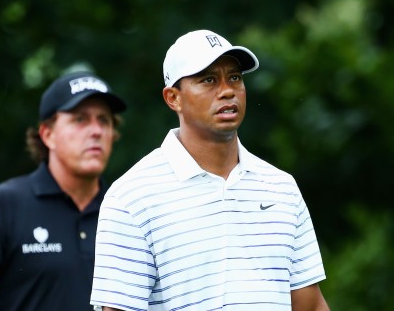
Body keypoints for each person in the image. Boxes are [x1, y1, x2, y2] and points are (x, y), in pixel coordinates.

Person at [90, 30, 329, 310]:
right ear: (173, 98)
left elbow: (310, 305)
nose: (227, 90)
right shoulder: (131, 197)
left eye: (235, 77)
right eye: (208, 79)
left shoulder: (282, 188)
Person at [0, 71, 127, 311]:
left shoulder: (127, 210)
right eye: (80, 119)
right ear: (47, 135)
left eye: (104, 120)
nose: (96, 131)